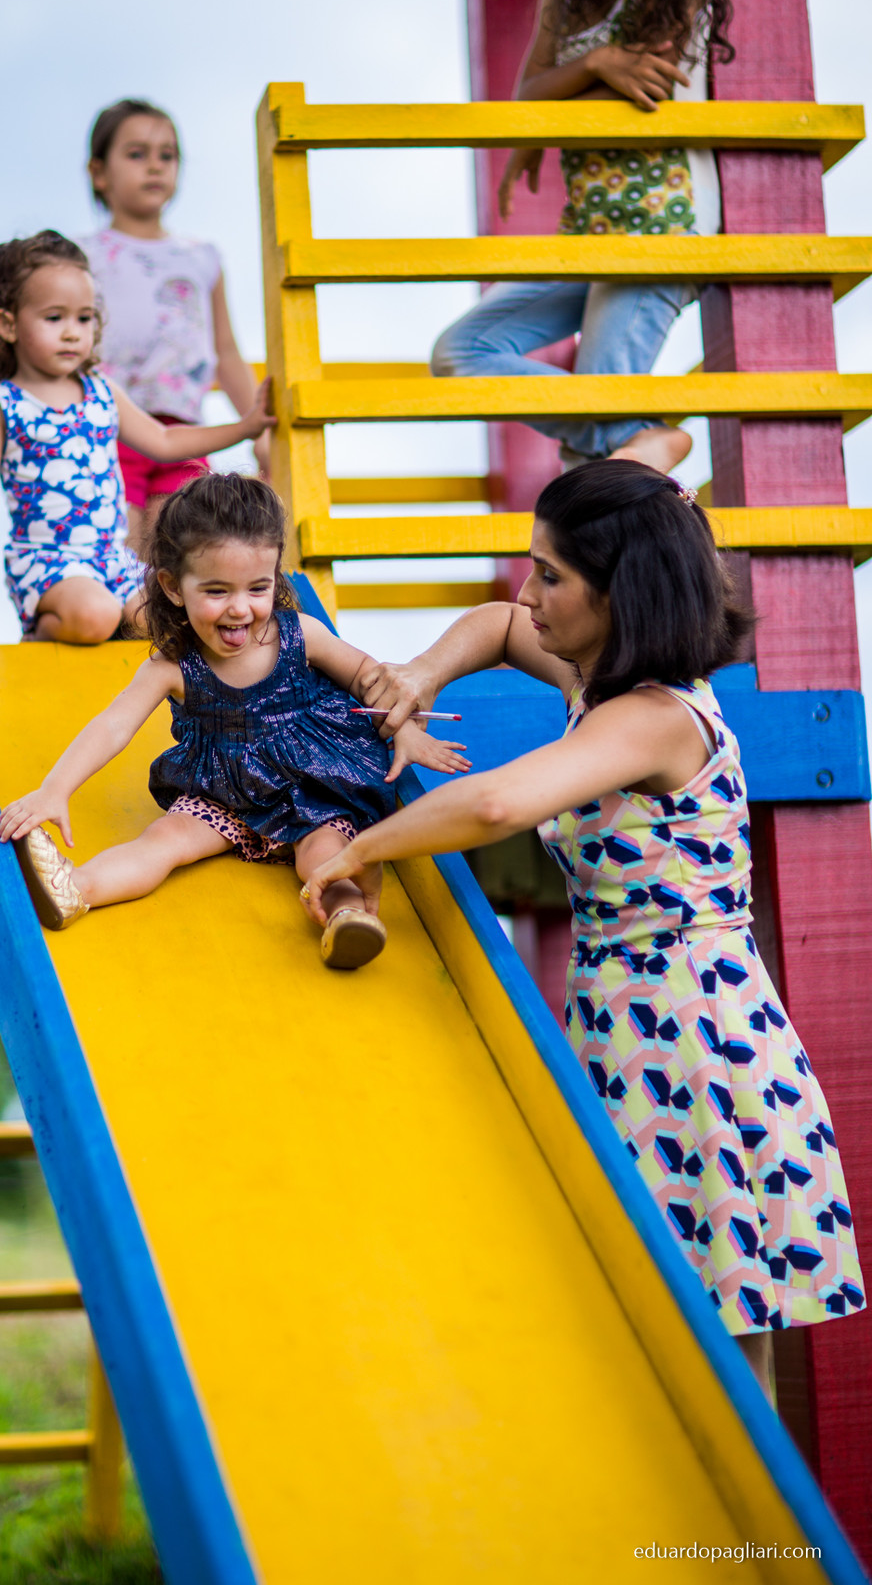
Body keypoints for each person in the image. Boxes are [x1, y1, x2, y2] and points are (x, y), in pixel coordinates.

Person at [304, 462, 864, 1394]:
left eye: (552, 576)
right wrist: (416, 676)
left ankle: (750, 1543)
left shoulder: (650, 719)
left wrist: (356, 852)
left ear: (621, 595)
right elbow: (493, 626)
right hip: (633, 1023)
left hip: (693, 1042)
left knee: (720, 1335)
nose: (530, 595)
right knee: (669, 1321)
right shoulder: (599, 673)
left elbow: (494, 806)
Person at [0, 472, 469, 969]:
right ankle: (77, 888)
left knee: (325, 853)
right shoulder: (171, 666)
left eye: (258, 588)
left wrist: (408, 730)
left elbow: (371, 679)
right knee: (166, 840)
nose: (240, 609)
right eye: (217, 591)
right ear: (174, 587)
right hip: (224, 797)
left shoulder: (299, 635)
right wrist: (55, 789)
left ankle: (348, 919)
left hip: (313, 790)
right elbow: (113, 725)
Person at [432, 0, 734, 473]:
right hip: (590, 232)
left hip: (661, 231)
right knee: (461, 353)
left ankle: (622, 455)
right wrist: (597, 63)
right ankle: (637, 431)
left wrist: (568, 96)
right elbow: (528, 93)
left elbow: (640, 99)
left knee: (586, 455)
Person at [0, 231, 273, 643]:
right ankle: (40, 636)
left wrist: (244, 427)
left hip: (112, 561)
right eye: (54, 318)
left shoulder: (102, 392)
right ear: (7, 324)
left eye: (83, 318)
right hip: (49, 564)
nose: (72, 332)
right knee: (96, 614)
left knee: (169, 620)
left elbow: (166, 442)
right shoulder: (3, 404)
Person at [80, 97, 269, 557]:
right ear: (99, 172)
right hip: (110, 429)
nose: (155, 167)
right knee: (116, 549)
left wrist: (260, 435)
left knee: (177, 551)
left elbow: (226, 352)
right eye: (136, 154)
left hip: (182, 430)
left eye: (167, 155)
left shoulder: (201, 257)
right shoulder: (81, 256)